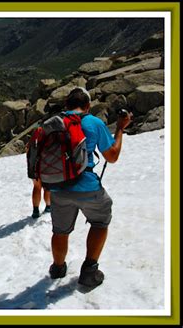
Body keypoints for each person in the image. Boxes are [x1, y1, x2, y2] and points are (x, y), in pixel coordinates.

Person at [48, 87, 132, 288]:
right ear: (87, 106)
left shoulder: (52, 124)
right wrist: (120, 128)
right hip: (87, 186)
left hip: (58, 188)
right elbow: (112, 156)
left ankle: (58, 268)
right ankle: (89, 271)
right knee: (100, 221)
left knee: (60, 231)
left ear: (66, 105)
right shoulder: (94, 122)